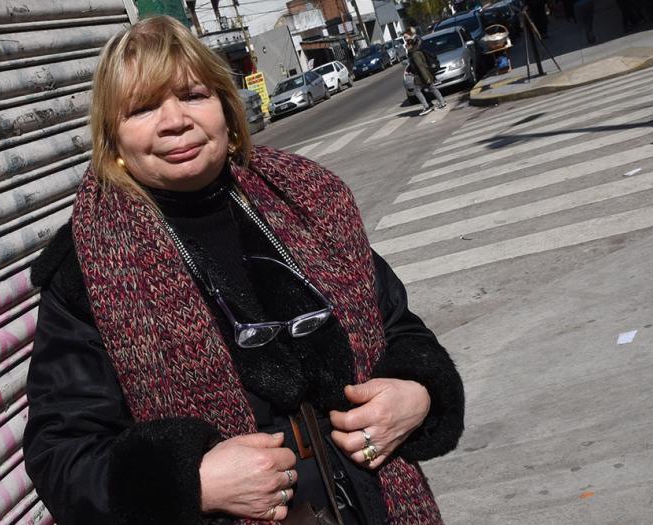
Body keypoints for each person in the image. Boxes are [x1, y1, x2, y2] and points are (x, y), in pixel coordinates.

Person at [23, 15, 465, 525]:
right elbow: (62, 456)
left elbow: (399, 327)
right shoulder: (88, 267)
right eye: (143, 108)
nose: (175, 121)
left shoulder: (309, 201)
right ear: (113, 142)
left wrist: (419, 391)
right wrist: (194, 481)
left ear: (225, 109)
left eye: (193, 95)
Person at [404, 34, 446, 116]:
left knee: (417, 91)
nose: (405, 46)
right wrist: (409, 70)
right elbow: (415, 65)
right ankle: (441, 102)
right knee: (431, 88)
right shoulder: (415, 52)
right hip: (423, 74)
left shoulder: (415, 54)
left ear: (411, 45)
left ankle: (427, 106)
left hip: (421, 75)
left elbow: (420, 66)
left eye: (407, 44)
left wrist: (426, 78)